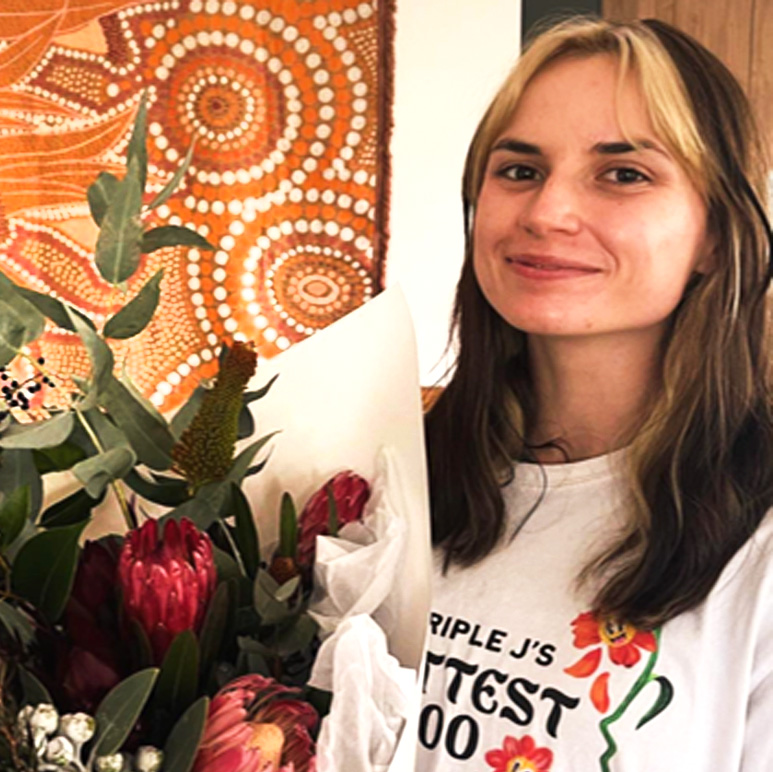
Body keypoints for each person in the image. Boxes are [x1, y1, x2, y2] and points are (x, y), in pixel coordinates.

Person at [418, 15, 773, 772]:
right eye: (518, 170)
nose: (546, 212)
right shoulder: (393, 472)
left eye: (622, 174)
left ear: (714, 233)